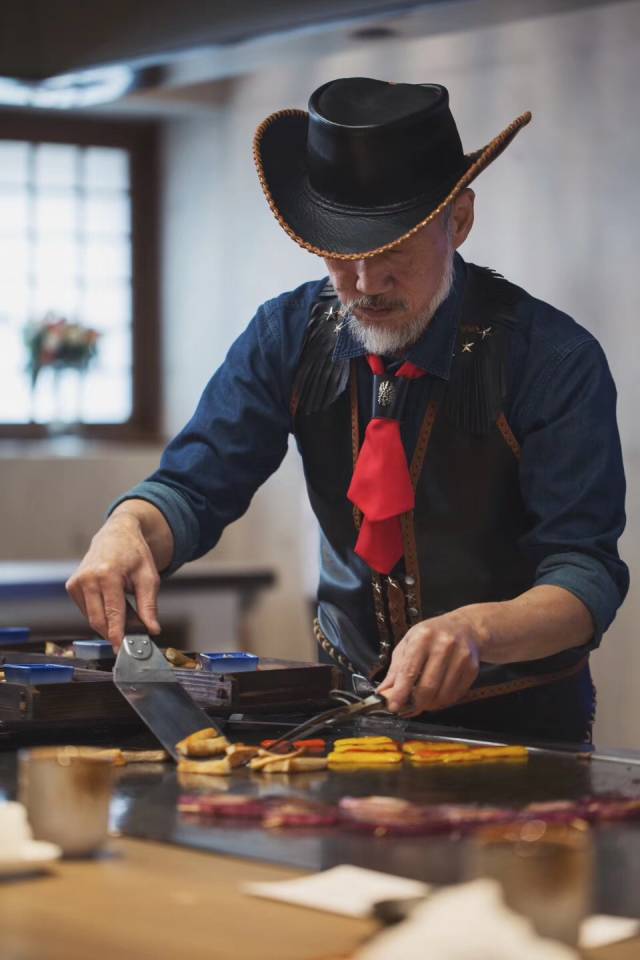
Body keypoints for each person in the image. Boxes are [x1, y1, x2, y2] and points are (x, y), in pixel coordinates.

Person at [67, 78, 628, 742]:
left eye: (392, 250)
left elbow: (583, 576)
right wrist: (128, 527)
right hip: (349, 712)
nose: (364, 285)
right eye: (340, 253)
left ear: (460, 220)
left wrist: (476, 632)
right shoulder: (287, 335)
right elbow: (194, 486)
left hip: (522, 727)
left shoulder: (552, 358)